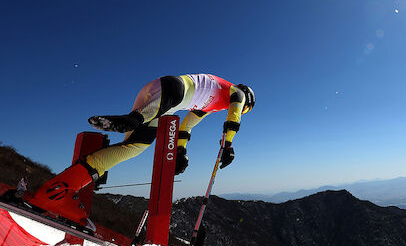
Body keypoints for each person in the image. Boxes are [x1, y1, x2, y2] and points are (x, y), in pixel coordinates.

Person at [30, 74, 255, 224]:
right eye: (246, 109)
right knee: (136, 124)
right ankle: (131, 120)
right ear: (247, 101)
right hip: (171, 91)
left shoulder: (211, 105)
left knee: (132, 148)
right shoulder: (237, 92)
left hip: (161, 101)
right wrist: (228, 145)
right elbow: (234, 115)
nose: (241, 109)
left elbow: (186, 126)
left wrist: (180, 151)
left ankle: (55, 193)